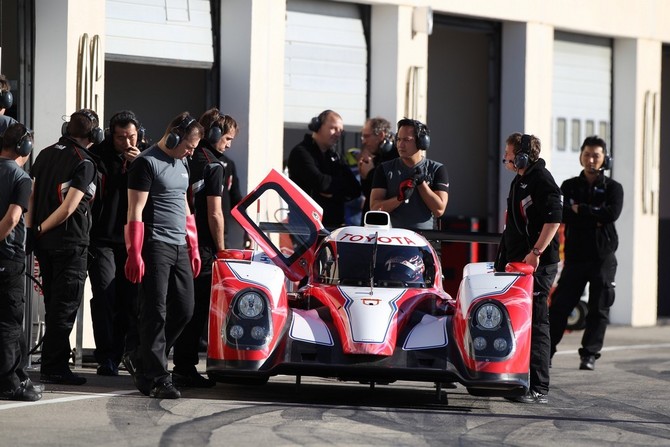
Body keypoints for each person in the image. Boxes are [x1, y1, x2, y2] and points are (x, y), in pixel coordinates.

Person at [123, 112, 203, 399]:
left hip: (180, 245)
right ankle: (158, 376)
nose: (192, 151)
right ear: (174, 137)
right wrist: (135, 252)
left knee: (185, 308)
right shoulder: (145, 163)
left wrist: (193, 246)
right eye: (190, 145)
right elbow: (135, 211)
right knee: (155, 311)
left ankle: (143, 358)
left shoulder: (182, 162)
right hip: (155, 245)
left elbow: (185, 203)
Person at [29, 109, 103, 386]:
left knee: (53, 305)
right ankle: (55, 366)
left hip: (44, 244)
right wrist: (42, 228)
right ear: (95, 135)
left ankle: (53, 361)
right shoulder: (84, 162)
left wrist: (32, 230)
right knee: (64, 306)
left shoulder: (46, 153)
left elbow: (32, 195)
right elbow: (70, 206)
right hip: (69, 242)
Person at [496, 132, 562, 404]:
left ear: (523, 155)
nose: (506, 158)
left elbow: (555, 218)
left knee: (537, 322)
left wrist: (536, 252)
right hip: (517, 264)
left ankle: (539, 387)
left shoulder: (541, 180)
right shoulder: (520, 180)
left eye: (509, 154)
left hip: (537, 265)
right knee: (518, 321)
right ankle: (517, 378)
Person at [549, 136, 623, 371]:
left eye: (596, 155)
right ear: (581, 156)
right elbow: (563, 214)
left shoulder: (613, 188)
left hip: (603, 257)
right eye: (587, 154)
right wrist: (594, 215)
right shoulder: (569, 186)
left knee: (598, 307)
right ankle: (545, 351)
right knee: (561, 305)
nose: (591, 160)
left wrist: (582, 210)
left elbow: (611, 214)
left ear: (605, 159)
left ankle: (589, 354)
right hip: (576, 256)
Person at [172, 108, 230, 388]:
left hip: (177, 238)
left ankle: (172, 362)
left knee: (178, 304)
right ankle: (185, 366)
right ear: (216, 134)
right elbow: (215, 213)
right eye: (227, 138)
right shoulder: (214, 166)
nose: (228, 144)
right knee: (195, 311)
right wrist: (222, 249)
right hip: (203, 247)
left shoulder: (185, 156)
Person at [87, 111, 145, 376]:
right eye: (120, 137)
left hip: (131, 241)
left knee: (129, 300)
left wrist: (139, 165)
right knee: (104, 295)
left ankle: (124, 352)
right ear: (111, 135)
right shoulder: (98, 156)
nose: (126, 142)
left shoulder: (146, 157)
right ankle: (106, 356)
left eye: (131, 136)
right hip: (102, 238)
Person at [0, 123, 42, 401]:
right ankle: (9, 381)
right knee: (9, 322)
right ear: (24, 148)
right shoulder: (21, 177)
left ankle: (16, 376)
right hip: (8, 257)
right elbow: (14, 218)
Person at [369, 118, 449, 230]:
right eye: (399, 139)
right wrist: (399, 198)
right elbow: (375, 208)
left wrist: (421, 184)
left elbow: (439, 210)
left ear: (421, 142)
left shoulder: (437, 169)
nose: (400, 145)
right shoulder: (384, 169)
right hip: (393, 239)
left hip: (424, 240)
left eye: (406, 140)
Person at [288, 109, 361, 228]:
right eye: (333, 128)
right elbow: (321, 183)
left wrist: (333, 193)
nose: (338, 134)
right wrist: (340, 187)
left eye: (340, 131)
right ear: (317, 126)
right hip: (306, 228)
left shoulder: (335, 156)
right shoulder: (301, 153)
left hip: (334, 227)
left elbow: (355, 189)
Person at [358, 116, 398, 224]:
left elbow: (387, 190)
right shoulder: (377, 157)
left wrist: (370, 173)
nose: (364, 141)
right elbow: (368, 193)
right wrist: (364, 175)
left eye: (367, 136)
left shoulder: (396, 158)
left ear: (381, 135)